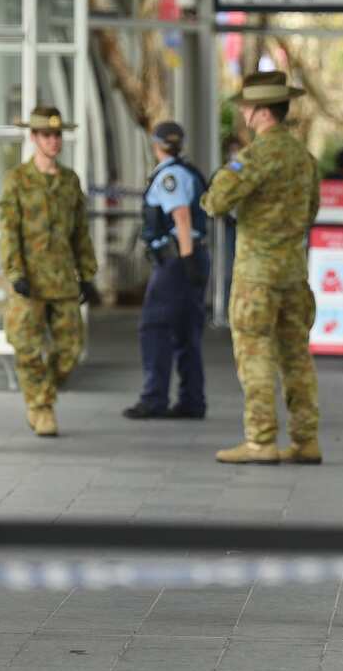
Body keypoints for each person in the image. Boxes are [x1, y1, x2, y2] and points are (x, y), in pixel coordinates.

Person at [202, 71, 322, 465]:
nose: (243, 114)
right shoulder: (304, 158)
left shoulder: (256, 156)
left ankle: (261, 440)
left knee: (254, 355)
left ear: (261, 112)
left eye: (246, 107)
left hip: (256, 277)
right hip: (294, 274)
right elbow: (311, 211)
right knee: (296, 357)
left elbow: (216, 202)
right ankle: (306, 440)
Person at [0, 106, 99, 437]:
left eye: (57, 135)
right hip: (29, 280)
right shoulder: (17, 180)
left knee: (70, 349)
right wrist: (15, 272)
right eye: (46, 135)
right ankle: (40, 406)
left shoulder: (69, 181)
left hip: (62, 279)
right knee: (26, 346)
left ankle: (42, 393)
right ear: (33, 138)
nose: (53, 141)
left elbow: (80, 232)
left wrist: (87, 273)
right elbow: (8, 230)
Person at [123, 121, 210, 420]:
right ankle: (192, 400)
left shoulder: (169, 176)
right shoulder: (187, 171)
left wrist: (185, 260)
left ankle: (154, 398)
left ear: (156, 145)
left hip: (177, 260)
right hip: (192, 256)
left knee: (155, 328)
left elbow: (181, 217)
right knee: (187, 330)